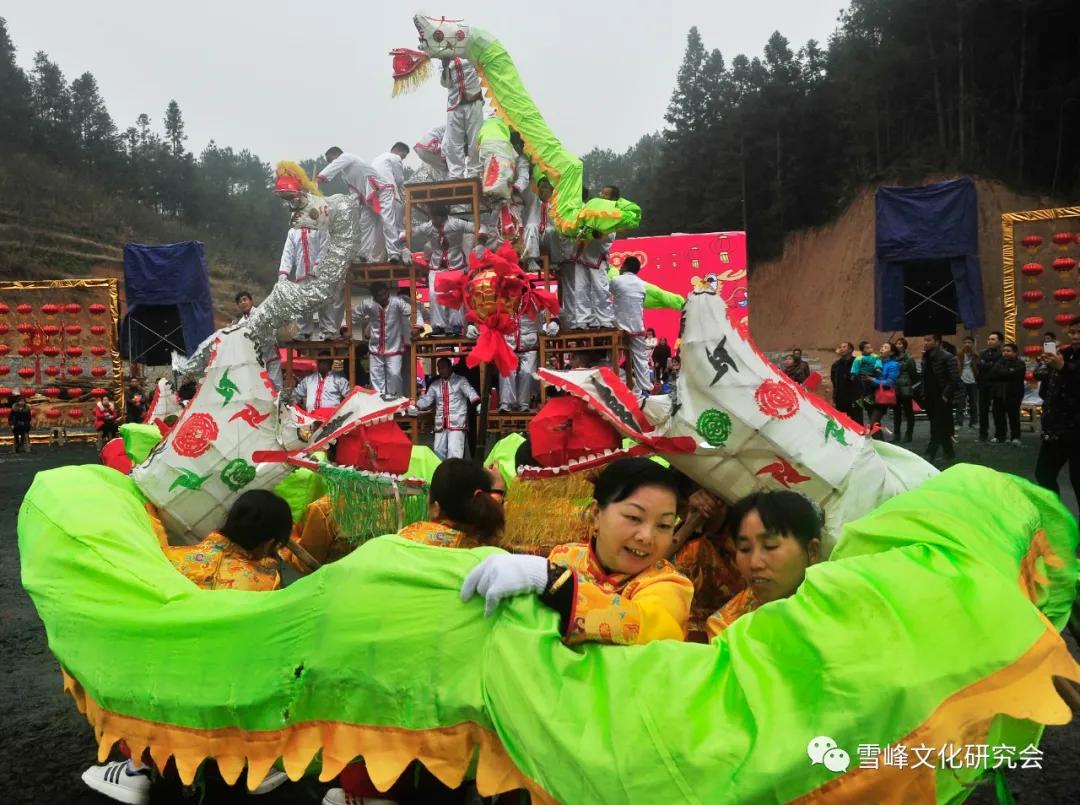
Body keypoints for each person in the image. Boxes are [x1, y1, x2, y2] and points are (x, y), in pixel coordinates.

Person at [81, 489, 293, 804]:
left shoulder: (171, 560)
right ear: (271, 543)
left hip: (162, 692)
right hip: (229, 699)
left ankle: (136, 766)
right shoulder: (266, 582)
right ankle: (256, 761)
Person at [461, 457, 694, 645]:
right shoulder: (565, 556)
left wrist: (556, 584)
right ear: (595, 515)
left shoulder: (669, 585)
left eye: (664, 525)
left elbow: (649, 627)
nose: (647, 537)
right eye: (634, 517)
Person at [705, 490, 822, 637]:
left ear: (812, 551)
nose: (754, 563)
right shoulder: (727, 628)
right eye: (745, 549)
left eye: (770, 546)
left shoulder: (841, 602)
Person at [316, 147, 395, 263]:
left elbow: (332, 169)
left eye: (330, 160)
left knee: (387, 222)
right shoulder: (345, 175)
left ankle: (394, 253)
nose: (331, 163)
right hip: (367, 200)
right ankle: (363, 255)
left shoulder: (347, 157)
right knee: (364, 224)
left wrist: (318, 179)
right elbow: (354, 193)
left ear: (336, 156)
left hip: (381, 191)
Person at [1034, 316, 1080, 504]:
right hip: (1056, 428)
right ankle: (1056, 516)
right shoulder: (1064, 353)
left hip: (1077, 428)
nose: (1076, 336)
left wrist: (1062, 367)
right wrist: (1046, 367)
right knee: (1043, 474)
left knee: (1077, 481)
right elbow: (1047, 387)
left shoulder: (1064, 360)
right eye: (1072, 332)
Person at [409, 206, 470, 335]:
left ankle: (456, 326)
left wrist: (481, 243)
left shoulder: (457, 225)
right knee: (433, 294)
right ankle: (438, 326)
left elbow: (479, 230)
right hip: (436, 267)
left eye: (437, 217)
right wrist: (404, 247)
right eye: (432, 216)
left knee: (455, 295)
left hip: (456, 266)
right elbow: (410, 234)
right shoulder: (429, 228)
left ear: (444, 216)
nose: (434, 220)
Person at [412, 357, 480, 459]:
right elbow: (426, 400)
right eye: (439, 368)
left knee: (454, 452)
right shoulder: (435, 384)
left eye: (443, 367)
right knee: (437, 453)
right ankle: (441, 475)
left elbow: (471, 393)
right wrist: (414, 404)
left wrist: (479, 405)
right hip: (440, 425)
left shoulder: (461, 381)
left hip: (456, 423)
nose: (441, 370)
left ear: (450, 367)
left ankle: (455, 475)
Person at [276, 223, 335, 341]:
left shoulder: (320, 227)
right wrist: (284, 272)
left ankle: (328, 330)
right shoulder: (293, 232)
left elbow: (326, 246)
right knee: (302, 303)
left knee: (324, 301)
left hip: (320, 273)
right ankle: (304, 331)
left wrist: (319, 263)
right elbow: (288, 253)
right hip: (301, 273)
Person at [354, 282, 413, 398]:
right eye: (379, 296)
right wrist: (345, 330)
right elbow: (354, 315)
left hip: (394, 348)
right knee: (376, 378)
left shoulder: (397, 302)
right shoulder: (368, 303)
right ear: (374, 297)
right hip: (375, 349)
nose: (383, 297)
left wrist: (415, 328)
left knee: (395, 375)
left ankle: (395, 403)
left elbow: (410, 311)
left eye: (385, 294)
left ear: (388, 292)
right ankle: (379, 405)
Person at [610, 255, 651, 396]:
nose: (620, 267)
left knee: (612, 358)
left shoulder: (616, 280)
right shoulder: (641, 284)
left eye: (622, 265)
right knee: (641, 359)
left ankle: (614, 389)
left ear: (625, 266)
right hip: (637, 326)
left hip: (618, 326)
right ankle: (645, 391)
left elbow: (606, 295)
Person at [440, 56, 483, 179]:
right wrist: (445, 66)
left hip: (473, 103)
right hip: (454, 106)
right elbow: (446, 84)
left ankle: (474, 173)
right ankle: (455, 175)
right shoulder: (445, 58)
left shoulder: (470, 53)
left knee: (475, 139)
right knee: (453, 142)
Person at [921, 333, 959, 463]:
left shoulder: (948, 357)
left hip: (941, 396)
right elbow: (924, 377)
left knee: (937, 425)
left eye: (928, 340)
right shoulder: (926, 357)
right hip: (929, 396)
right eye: (924, 340)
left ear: (937, 342)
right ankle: (949, 452)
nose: (925, 343)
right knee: (939, 425)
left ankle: (931, 452)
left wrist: (945, 395)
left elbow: (954, 379)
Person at [235, 290, 284, 390]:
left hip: (271, 356)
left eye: (245, 299)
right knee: (261, 388)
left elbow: (273, 327)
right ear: (238, 306)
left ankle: (280, 404)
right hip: (256, 361)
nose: (243, 303)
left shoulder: (261, 312)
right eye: (240, 302)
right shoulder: (240, 323)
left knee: (275, 385)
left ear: (251, 301)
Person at [566, 230, 615, 330]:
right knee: (580, 290)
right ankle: (582, 320)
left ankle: (604, 319)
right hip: (581, 255)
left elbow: (611, 235)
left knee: (600, 289)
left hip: (597, 256)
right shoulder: (576, 215)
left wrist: (601, 234)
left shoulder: (605, 215)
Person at [371, 143, 410, 261]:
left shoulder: (377, 159)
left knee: (380, 227)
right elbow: (399, 180)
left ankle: (376, 259)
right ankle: (396, 253)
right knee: (396, 225)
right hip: (389, 192)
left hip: (374, 194)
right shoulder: (395, 158)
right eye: (404, 156)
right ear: (400, 152)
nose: (402, 159)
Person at [989, 341, 1025, 445]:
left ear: (1015, 352)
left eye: (1008, 351)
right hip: (998, 394)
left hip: (1013, 393)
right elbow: (992, 374)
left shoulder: (1020, 363)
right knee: (998, 416)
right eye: (1004, 351)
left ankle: (1015, 437)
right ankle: (1000, 436)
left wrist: (1003, 373)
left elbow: (1015, 375)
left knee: (1013, 416)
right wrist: (1007, 372)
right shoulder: (1000, 362)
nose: (1005, 353)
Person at [291, 351, 350, 415]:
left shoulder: (339, 379)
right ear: (317, 363)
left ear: (331, 363)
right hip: (311, 418)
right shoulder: (308, 379)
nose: (322, 364)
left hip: (331, 419)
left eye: (325, 361)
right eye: (320, 361)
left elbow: (349, 397)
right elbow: (296, 394)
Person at [975, 331, 1004, 443]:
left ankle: (1000, 435)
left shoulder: (1002, 354)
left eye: (993, 339)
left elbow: (996, 369)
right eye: (989, 339)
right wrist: (989, 364)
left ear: (1000, 341)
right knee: (983, 411)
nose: (990, 341)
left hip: (997, 386)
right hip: (983, 385)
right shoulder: (983, 353)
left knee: (998, 411)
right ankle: (983, 434)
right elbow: (979, 365)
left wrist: (987, 365)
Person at [867, 342, 899, 439]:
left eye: (885, 347)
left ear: (891, 352)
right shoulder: (877, 361)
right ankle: (879, 443)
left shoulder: (894, 365)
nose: (882, 348)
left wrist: (873, 380)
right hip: (871, 395)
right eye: (882, 346)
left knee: (873, 423)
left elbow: (890, 382)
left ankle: (880, 443)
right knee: (875, 423)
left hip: (882, 397)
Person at [891, 336, 918, 443]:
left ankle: (909, 435)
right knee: (896, 413)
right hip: (894, 388)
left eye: (900, 344)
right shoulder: (892, 358)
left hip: (905, 388)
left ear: (904, 346)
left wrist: (908, 383)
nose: (898, 345)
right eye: (897, 343)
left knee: (908, 412)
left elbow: (914, 374)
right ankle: (896, 435)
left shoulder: (909, 358)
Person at [830, 341, 861, 424]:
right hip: (840, 399)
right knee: (840, 423)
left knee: (857, 423)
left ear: (850, 350)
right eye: (840, 347)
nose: (841, 349)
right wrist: (834, 398)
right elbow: (834, 382)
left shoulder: (857, 362)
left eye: (844, 347)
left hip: (854, 398)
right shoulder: (836, 365)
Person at [955, 336, 978, 430]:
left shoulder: (975, 355)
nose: (967, 344)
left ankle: (973, 422)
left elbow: (978, 367)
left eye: (969, 342)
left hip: (973, 380)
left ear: (972, 344)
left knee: (973, 403)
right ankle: (958, 422)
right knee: (960, 403)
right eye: (965, 342)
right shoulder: (959, 354)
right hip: (962, 380)